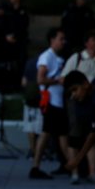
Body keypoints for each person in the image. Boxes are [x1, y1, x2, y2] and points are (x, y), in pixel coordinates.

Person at [60, 29, 95, 184]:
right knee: (75, 136)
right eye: (93, 40)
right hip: (76, 102)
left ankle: (92, 172)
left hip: (93, 102)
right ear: (87, 43)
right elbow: (63, 78)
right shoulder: (76, 59)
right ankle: (75, 172)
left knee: (92, 136)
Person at [29, 27, 69, 180]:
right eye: (61, 39)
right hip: (51, 102)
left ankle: (70, 165)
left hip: (57, 102)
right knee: (49, 134)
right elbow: (40, 79)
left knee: (58, 134)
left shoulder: (56, 57)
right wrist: (57, 81)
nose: (63, 42)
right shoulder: (47, 57)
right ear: (52, 40)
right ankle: (36, 166)